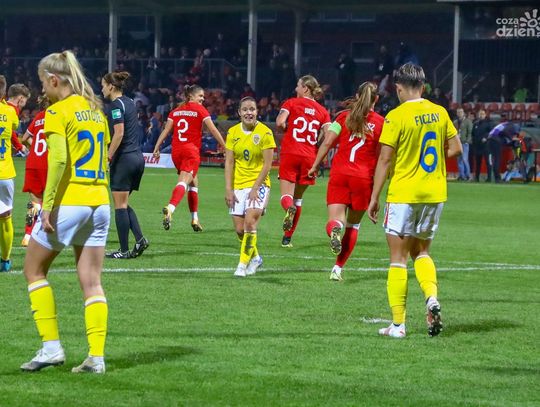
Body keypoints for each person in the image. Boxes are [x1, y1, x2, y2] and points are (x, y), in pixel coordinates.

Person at [20, 50, 111, 373]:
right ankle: (96, 358)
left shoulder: (58, 112)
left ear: (54, 80)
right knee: (92, 281)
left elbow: (58, 160)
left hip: (71, 202)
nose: (42, 89)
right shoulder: (96, 111)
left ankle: (51, 348)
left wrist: (46, 206)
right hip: (100, 202)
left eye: (43, 83)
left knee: (33, 270)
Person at [367, 63, 462, 338]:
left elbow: (385, 160)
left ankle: (398, 325)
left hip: (404, 194)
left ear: (398, 88)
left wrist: (374, 197)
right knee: (421, 252)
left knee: (398, 258)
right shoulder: (439, 112)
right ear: (422, 86)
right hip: (434, 193)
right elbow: (456, 148)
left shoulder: (396, 116)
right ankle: (431, 298)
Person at [307, 82, 384, 281]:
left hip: (340, 175)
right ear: (376, 99)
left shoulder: (342, 117)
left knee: (336, 220)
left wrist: (315, 165)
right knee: (353, 226)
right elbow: (382, 158)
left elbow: (327, 142)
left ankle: (335, 229)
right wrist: (376, 195)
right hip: (363, 178)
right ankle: (337, 269)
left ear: (357, 96)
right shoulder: (382, 124)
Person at [153, 84, 225, 231]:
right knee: (184, 181)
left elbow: (166, 130)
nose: (203, 99)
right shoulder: (200, 109)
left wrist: (157, 146)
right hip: (190, 152)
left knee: (194, 182)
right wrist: (224, 145)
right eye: (200, 96)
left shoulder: (175, 111)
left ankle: (195, 219)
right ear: (191, 96)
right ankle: (170, 208)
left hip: (176, 152)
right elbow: (212, 129)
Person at [276, 75, 331, 248]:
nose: (296, 89)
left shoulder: (291, 103)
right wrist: (317, 141)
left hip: (291, 152)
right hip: (309, 156)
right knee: (298, 199)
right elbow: (329, 135)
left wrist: (288, 128)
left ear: (305, 88)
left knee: (287, 196)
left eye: (298, 85)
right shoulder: (323, 111)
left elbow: (279, 122)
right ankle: (287, 239)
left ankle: (288, 208)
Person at [224, 97, 276, 277]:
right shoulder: (232, 132)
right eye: (245, 109)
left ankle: (241, 266)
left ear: (257, 112)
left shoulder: (265, 133)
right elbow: (229, 162)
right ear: (239, 112)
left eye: (252, 109)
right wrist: (229, 189)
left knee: (249, 223)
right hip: (239, 185)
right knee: (240, 230)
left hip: (259, 184)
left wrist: (255, 188)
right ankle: (256, 258)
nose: (249, 113)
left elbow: (268, 165)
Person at [101, 71, 148, 259]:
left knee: (120, 206)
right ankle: (140, 239)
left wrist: (108, 157)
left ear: (111, 86)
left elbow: (119, 133)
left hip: (124, 159)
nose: (102, 89)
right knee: (123, 203)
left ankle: (123, 250)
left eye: (103, 86)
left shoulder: (115, 105)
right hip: (137, 158)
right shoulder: (129, 102)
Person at [20, 95, 49, 247]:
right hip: (49, 163)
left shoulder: (38, 117)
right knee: (52, 201)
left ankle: (27, 235)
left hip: (33, 162)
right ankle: (47, 233)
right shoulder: (57, 115)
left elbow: (24, 138)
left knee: (34, 202)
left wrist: (36, 149)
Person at [0, 76, 21, 272]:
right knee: (5, 217)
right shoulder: (9, 111)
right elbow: (14, 126)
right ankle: (5, 260)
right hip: (5, 173)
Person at [471, 109, 492, 182]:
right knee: (477, 163)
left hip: (486, 146)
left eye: (482, 114)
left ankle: (489, 178)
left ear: (485, 115)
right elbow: (473, 134)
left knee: (488, 162)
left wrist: (486, 137)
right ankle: (476, 178)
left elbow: (491, 133)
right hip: (477, 146)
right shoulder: (475, 124)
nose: (481, 115)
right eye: (480, 114)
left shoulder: (488, 123)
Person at [454, 107, 473, 181]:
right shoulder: (455, 122)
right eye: (458, 112)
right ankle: (462, 175)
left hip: (464, 143)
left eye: (461, 112)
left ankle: (468, 175)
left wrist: (467, 141)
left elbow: (470, 132)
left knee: (465, 159)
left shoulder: (468, 121)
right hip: (457, 143)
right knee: (459, 160)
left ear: (463, 113)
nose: (459, 113)